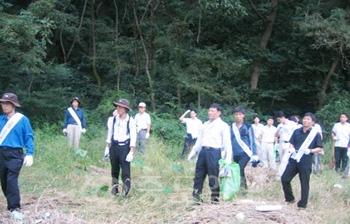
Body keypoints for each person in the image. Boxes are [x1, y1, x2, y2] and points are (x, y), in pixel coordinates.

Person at [188, 103, 232, 203]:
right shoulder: (205, 124)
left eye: (212, 111)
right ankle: (196, 197)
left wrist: (228, 157)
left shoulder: (223, 126)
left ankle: (215, 198)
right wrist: (194, 151)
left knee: (213, 175)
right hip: (203, 152)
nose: (210, 113)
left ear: (219, 113)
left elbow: (227, 142)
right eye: (209, 111)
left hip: (214, 152)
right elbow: (200, 139)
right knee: (199, 175)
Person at [0, 93, 35, 219]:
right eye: (3, 103)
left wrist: (30, 153)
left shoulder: (22, 120)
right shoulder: (0, 119)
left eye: (7, 103)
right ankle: (11, 203)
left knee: (11, 180)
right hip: (1, 154)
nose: (4, 106)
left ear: (13, 105)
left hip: (15, 154)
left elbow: (29, 136)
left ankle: (14, 207)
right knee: (3, 181)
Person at [281, 112, 323, 209]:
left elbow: (320, 148)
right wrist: (291, 148)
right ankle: (290, 198)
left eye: (308, 119)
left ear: (313, 122)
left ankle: (302, 204)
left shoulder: (315, 134)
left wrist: (310, 150)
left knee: (304, 182)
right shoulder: (297, 131)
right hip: (294, 159)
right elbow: (291, 143)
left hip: (306, 160)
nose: (305, 120)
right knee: (285, 178)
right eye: (305, 118)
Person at [105, 99, 137, 196]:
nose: (117, 108)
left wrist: (131, 151)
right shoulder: (113, 119)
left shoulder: (130, 121)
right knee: (114, 171)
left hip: (125, 147)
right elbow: (109, 133)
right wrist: (107, 148)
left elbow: (133, 136)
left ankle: (126, 192)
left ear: (125, 109)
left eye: (120, 107)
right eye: (117, 106)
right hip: (114, 147)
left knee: (125, 171)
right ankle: (115, 191)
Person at [230, 107, 258, 190]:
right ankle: (241, 188)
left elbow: (252, 140)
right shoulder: (231, 127)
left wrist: (254, 153)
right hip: (235, 152)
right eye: (236, 114)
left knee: (240, 168)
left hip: (245, 152)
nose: (238, 116)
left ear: (243, 115)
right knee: (238, 170)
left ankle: (242, 188)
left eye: (240, 114)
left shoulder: (248, 126)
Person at [275, 111, 295, 176]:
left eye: (279, 119)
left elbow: (296, 134)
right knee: (281, 160)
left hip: (288, 143)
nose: (278, 121)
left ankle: (279, 175)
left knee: (284, 160)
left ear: (283, 117)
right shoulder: (279, 125)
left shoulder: (292, 124)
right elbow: (276, 135)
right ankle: (285, 173)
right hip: (281, 143)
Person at [331, 113, 350, 178]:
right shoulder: (336, 125)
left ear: (347, 118)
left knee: (345, 159)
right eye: (341, 117)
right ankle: (337, 170)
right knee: (337, 158)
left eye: (344, 117)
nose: (342, 118)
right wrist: (334, 137)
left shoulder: (349, 126)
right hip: (337, 145)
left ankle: (344, 171)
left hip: (346, 145)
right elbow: (333, 132)